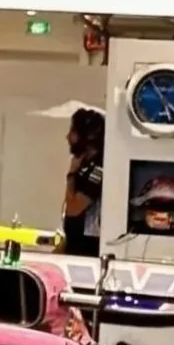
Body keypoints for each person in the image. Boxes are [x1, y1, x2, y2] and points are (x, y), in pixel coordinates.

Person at [63, 108, 105, 256]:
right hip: (76, 244)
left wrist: (71, 176)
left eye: (72, 132)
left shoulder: (99, 169)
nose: (67, 137)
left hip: (86, 250)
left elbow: (73, 209)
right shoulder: (86, 165)